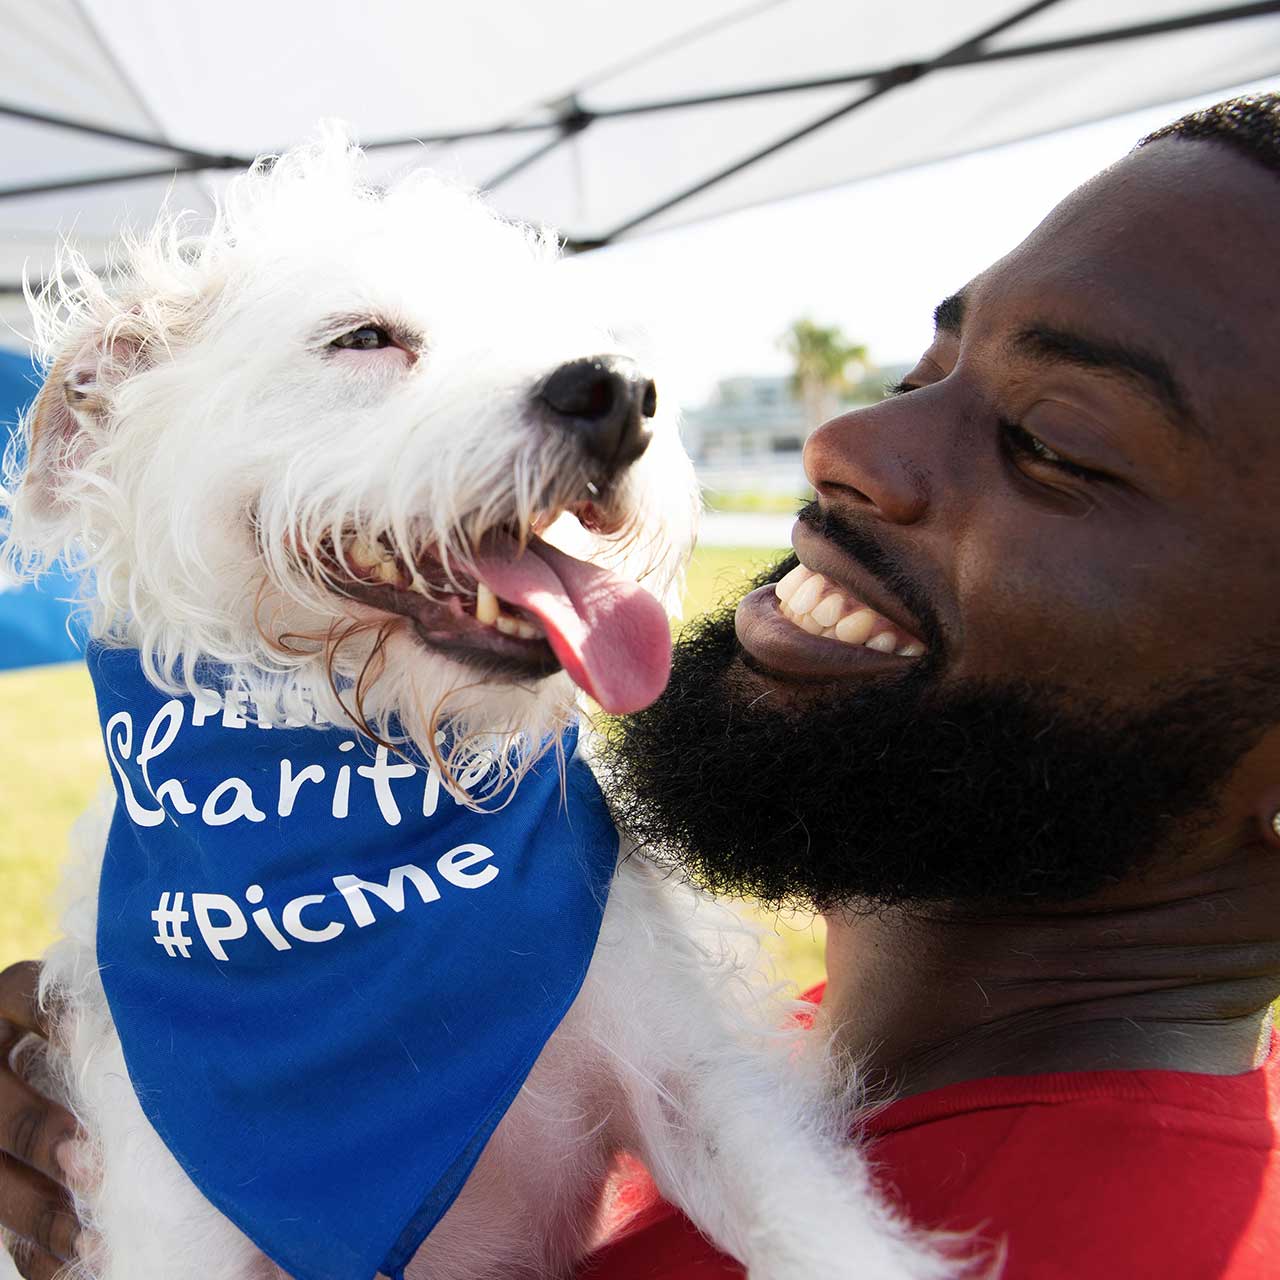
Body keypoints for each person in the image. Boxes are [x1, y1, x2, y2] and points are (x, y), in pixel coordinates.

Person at [3, 92, 1280, 1279]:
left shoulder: (1119, 1230)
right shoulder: (220, 892)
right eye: (919, 374)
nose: (840, 449)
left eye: (1055, 444)